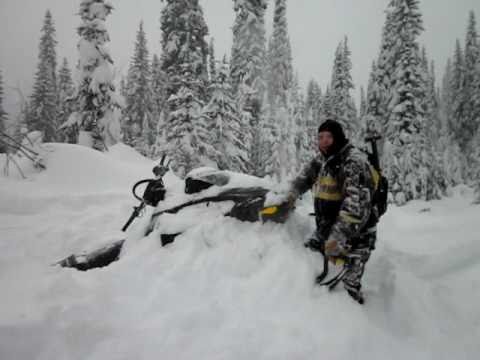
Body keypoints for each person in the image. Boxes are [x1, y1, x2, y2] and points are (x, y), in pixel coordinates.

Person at [288, 119, 377, 304]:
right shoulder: (323, 159)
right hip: (327, 227)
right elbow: (303, 179)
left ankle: (361, 318)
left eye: (329, 136)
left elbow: (356, 208)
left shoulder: (353, 162)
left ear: (338, 137)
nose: (324, 141)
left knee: (347, 289)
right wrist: (287, 196)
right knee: (303, 259)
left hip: (356, 235)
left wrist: (337, 238)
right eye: (320, 137)